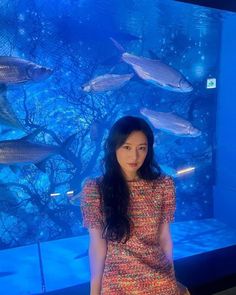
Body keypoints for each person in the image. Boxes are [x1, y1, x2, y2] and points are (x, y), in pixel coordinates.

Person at [80, 116, 189, 295]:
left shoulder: (163, 185)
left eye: (142, 148)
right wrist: (94, 292)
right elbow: (97, 246)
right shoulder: (95, 189)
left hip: (159, 277)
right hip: (117, 283)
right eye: (127, 147)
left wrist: (172, 277)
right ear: (114, 147)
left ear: (149, 150)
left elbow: (164, 237)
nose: (135, 156)